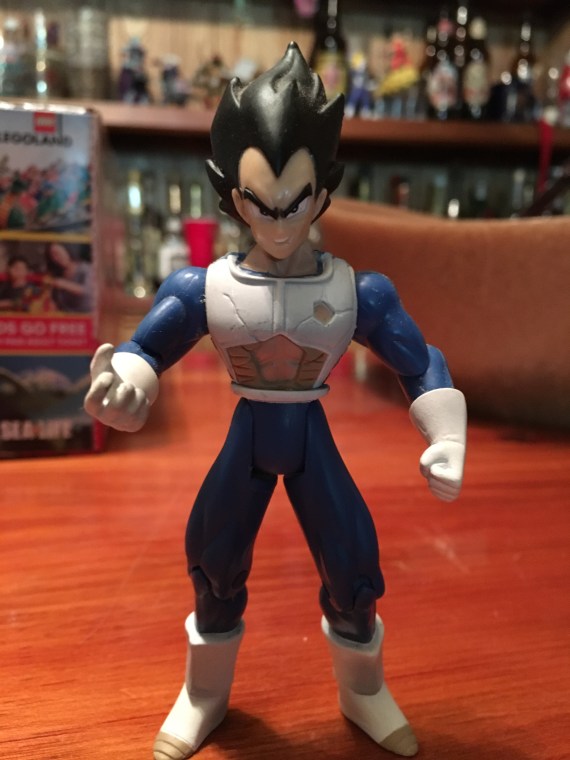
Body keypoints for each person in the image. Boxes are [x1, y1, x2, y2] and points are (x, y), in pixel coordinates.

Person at [85, 43, 466, 760]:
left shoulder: (358, 292)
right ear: (233, 197)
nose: (282, 221)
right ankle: (204, 693)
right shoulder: (204, 288)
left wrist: (446, 434)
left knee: (354, 569)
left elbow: (420, 361)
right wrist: (127, 384)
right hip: (250, 434)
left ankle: (362, 691)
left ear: (323, 193)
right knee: (213, 563)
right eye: (262, 204)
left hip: (310, 436)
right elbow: (147, 349)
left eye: (297, 202)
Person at [44, 243, 93, 312]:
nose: (57, 257)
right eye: (53, 255)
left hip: (84, 315)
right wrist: (53, 304)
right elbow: (56, 300)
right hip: (65, 315)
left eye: (58, 253)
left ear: (67, 250)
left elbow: (88, 290)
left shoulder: (85, 268)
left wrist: (64, 284)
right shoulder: (58, 274)